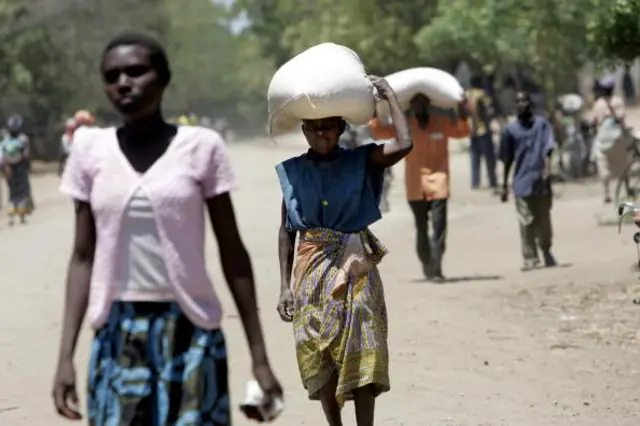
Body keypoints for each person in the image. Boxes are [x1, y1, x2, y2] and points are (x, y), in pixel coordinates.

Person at [52, 32, 282, 425]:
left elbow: (233, 253)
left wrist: (259, 358)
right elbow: (82, 256)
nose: (124, 82)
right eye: (112, 76)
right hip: (117, 333)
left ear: (163, 77)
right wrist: (65, 358)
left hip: (191, 331)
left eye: (137, 71)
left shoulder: (201, 147)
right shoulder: (90, 152)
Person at [276, 76, 412, 426]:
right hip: (310, 273)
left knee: (362, 344)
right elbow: (286, 231)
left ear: (339, 128)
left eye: (328, 127)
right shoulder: (292, 173)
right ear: (304, 131)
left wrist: (390, 97)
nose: (321, 134)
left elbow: (405, 143)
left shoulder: (362, 160)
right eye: (314, 128)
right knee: (321, 354)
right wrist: (284, 286)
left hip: (356, 268)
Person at [369, 94, 470, 282]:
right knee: (421, 228)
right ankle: (427, 262)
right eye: (417, 105)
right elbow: (379, 132)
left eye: (424, 104)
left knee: (440, 227)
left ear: (429, 106)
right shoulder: (404, 126)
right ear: (412, 108)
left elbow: (462, 132)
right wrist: (376, 111)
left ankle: (437, 267)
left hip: (439, 182)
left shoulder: (441, 123)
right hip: (415, 185)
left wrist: (463, 113)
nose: (420, 109)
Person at [499, 91, 558, 271]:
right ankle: (530, 257)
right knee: (526, 221)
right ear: (514, 105)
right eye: (518, 101)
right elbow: (507, 159)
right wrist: (504, 185)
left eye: (525, 100)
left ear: (530, 104)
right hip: (521, 182)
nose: (522, 104)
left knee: (544, 221)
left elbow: (549, 149)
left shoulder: (542, 125)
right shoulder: (509, 130)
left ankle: (546, 250)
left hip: (541, 181)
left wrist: (547, 169)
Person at [590, 76, 630, 203]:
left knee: (602, 163)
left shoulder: (598, 104)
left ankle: (607, 194)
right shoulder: (618, 101)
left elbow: (594, 122)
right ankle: (627, 188)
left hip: (603, 140)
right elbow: (622, 120)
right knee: (625, 163)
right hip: (617, 138)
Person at [467, 75, 498, 191]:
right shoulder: (482, 94)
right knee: (489, 157)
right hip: (483, 129)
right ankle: (492, 181)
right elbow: (487, 110)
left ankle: (475, 182)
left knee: (475, 157)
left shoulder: (467, 94)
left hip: (471, 130)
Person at [0, 115, 32, 225]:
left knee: (11, 192)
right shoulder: (23, 140)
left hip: (8, 168)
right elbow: (26, 155)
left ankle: (11, 216)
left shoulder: (4, 141)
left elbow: (1, 157)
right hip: (20, 168)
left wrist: (4, 168)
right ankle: (21, 216)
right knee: (22, 192)